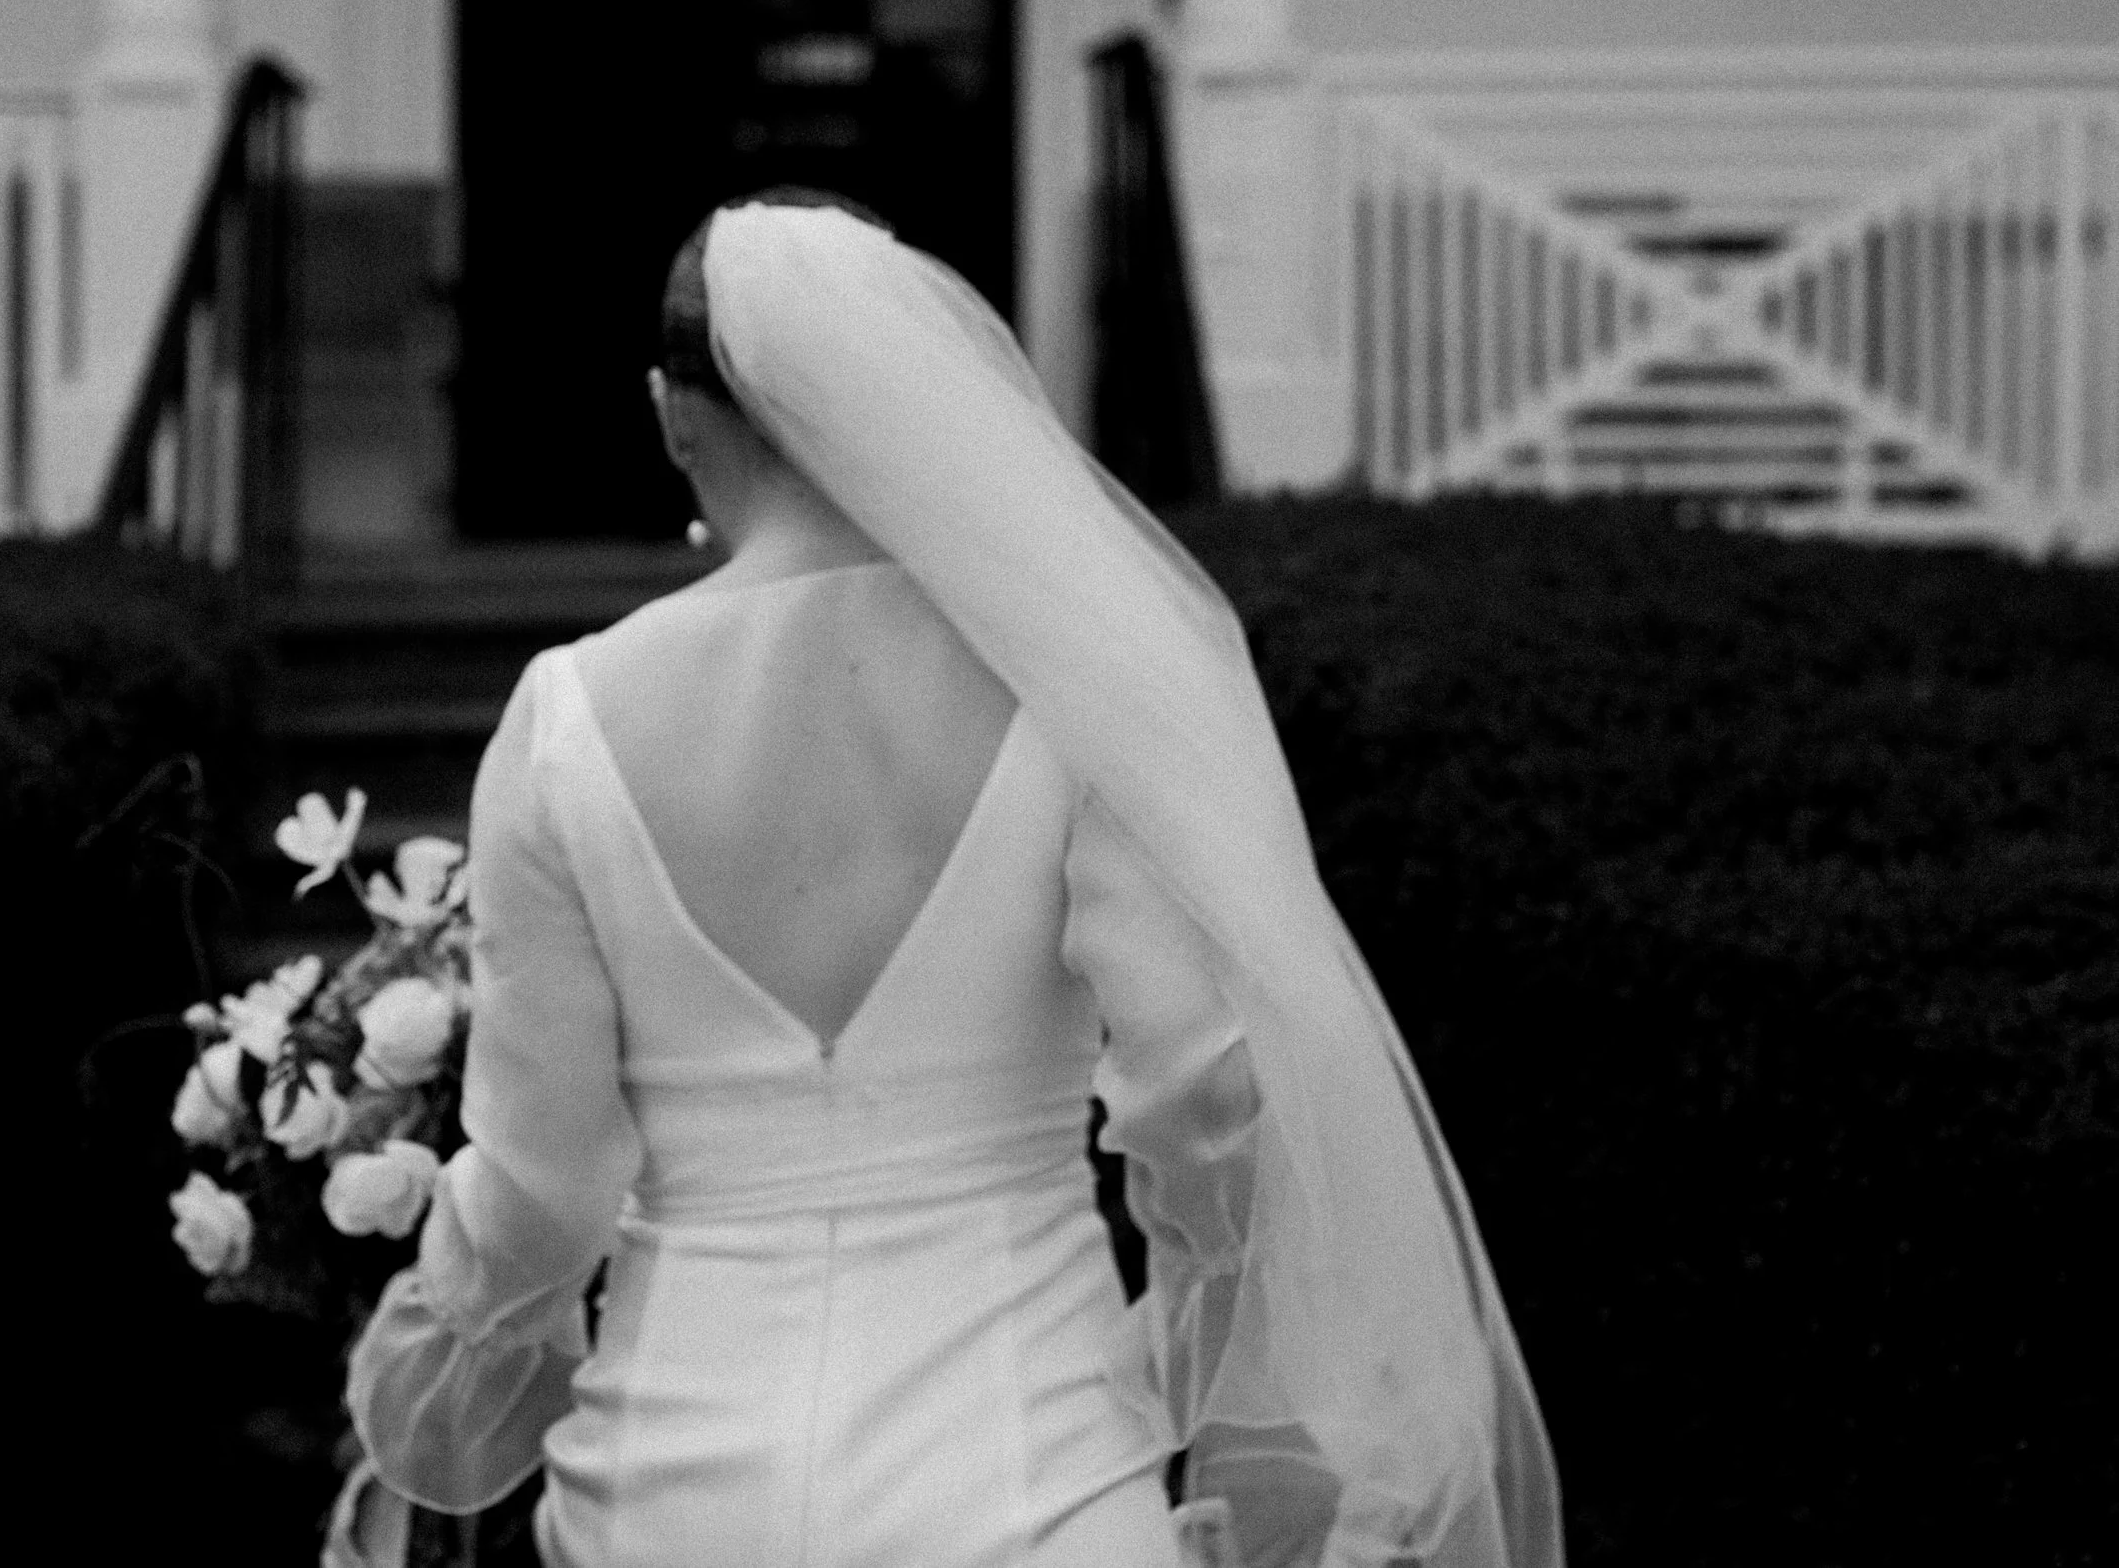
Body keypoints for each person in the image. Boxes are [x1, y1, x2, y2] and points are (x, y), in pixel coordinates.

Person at [347, 193, 1563, 1568]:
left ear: (673, 416)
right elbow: (1203, 1093)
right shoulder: (1062, 685)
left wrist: (428, 1334)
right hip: (1028, 1471)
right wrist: (1197, 1332)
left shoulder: (562, 719)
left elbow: (546, 1186)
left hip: (676, 1485)